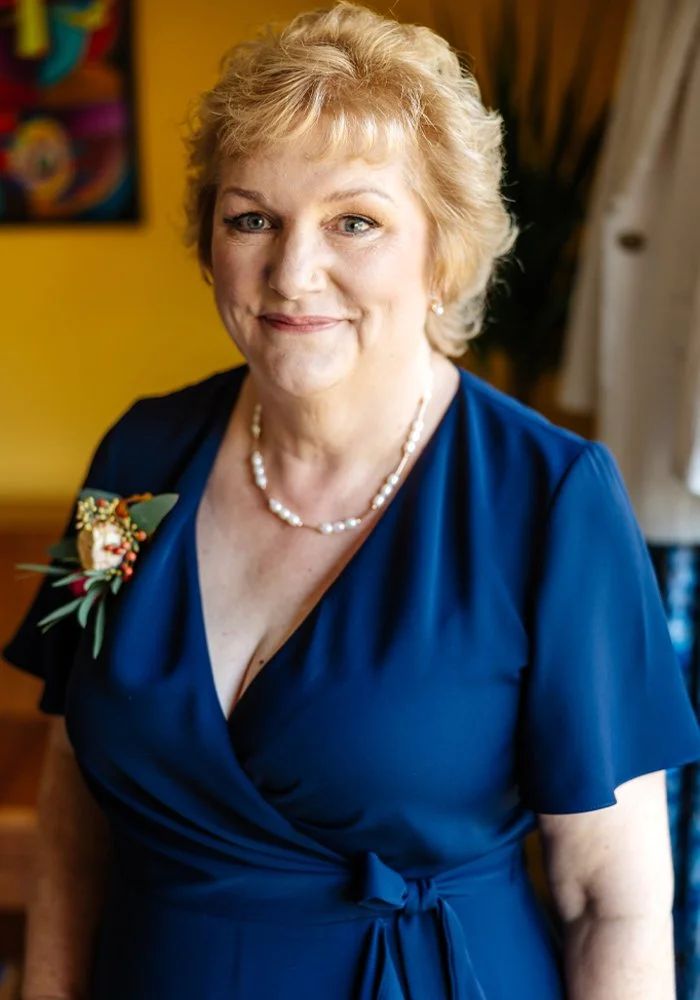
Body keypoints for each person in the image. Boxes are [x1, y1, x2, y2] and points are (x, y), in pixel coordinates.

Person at [4, 4, 700, 998]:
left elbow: (612, 901)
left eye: (354, 221)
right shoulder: (134, 461)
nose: (294, 271)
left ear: (443, 252)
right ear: (211, 244)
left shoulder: (551, 503)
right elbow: (77, 770)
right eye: (253, 217)